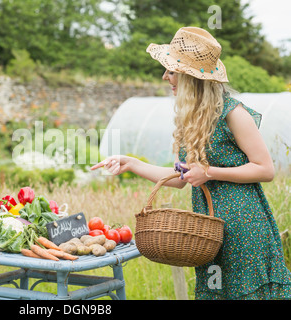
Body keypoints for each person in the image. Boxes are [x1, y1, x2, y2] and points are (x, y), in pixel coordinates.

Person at [91, 27, 291, 300]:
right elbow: (181, 178)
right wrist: (131, 163)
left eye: (171, 71)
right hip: (207, 231)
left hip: (244, 227)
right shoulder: (192, 117)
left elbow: (265, 169)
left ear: (190, 77)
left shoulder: (234, 113)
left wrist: (209, 173)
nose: (165, 77)